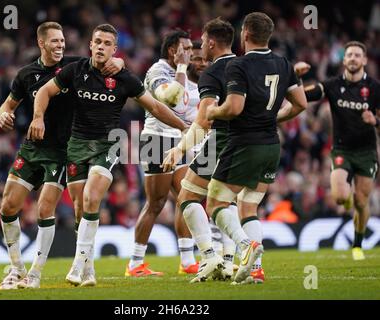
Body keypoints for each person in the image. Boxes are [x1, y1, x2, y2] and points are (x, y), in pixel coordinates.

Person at [28, 23, 187, 287]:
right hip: (77, 145)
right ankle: (89, 270)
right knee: (80, 208)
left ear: (115, 49)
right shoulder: (75, 70)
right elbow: (45, 91)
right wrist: (38, 117)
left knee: (92, 196)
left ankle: (78, 265)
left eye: (106, 44)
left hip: (109, 144)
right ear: (90, 44)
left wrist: (184, 127)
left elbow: (156, 107)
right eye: (97, 42)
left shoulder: (124, 78)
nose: (101, 47)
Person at [0, 22, 123, 290]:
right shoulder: (26, 74)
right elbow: (8, 104)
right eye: (55, 41)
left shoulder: (75, 67)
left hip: (63, 151)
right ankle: (16, 268)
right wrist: (3, 114)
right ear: (41, 43)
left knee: (45, 207)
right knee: (8, 206)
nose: (61, 45)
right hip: (32, 148)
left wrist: (120, 63)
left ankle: (35, 273)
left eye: (63, 41)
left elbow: (104, 60)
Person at [200, 12, 307, 284]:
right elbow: (301, 104)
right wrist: (274, 117)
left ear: (245, 33)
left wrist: (214, 111)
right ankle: (256, 269)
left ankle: (245, 246)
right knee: (248, 207)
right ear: (268, 34)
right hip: (272, 146)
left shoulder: (238, 65)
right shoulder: (284, 63)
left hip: (244, 144)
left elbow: (234, 108)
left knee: (215, 201)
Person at [162, 18, 239, 281]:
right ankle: (228, 260)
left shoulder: (211, 75)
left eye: (203, 45)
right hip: (244, 142)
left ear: (211, 44)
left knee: (187, 197)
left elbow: (204, 120)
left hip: (217, 141)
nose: (199, 53)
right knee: (226, 201)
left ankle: (212, 257)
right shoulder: (242, 67)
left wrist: (179, 150)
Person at [289, 41, 380, 260]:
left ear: (365, 60)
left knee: (361, 201)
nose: (352, 58)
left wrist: (375, 120)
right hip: (341, 149)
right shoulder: (332, 84)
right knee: (340, 198)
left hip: (366, 152)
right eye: (349, 55)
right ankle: (345, 199)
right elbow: (304, 97)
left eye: (357, 55)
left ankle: (357, 245)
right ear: (344, 59)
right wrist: (296, 78)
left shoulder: (375, 88)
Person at [126, 30, 200, 277]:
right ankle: (135, 264)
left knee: (187, 196)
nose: (191, 53)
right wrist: (181, 67)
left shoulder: (180, 73)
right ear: (172, 51)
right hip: (156, 140)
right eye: (186, 48)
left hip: (179, 142)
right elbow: (171, 99)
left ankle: (188, 260)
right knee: (156, 203)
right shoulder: (158, 71)